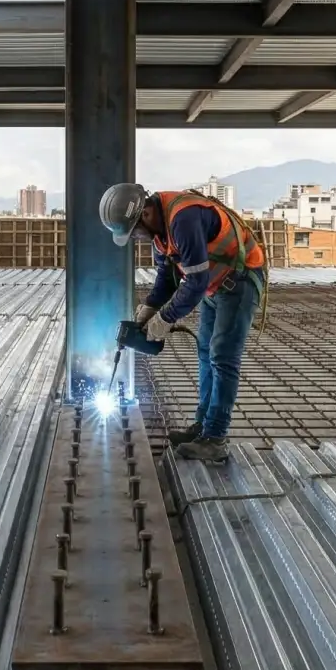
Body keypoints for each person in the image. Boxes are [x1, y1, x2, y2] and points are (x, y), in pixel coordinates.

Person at [99, 182, 267, 464]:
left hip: (240, 281)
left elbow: (196, 283)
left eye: (135, 233)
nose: (137, 239)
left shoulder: (183, 219)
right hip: (216, 285)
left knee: (223, 357)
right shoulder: (160, 232)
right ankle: (202, 427)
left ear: (145, 215)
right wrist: (149, 310)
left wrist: (165, 319)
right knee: (205, 353)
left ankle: (215, 438)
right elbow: (167, 279)